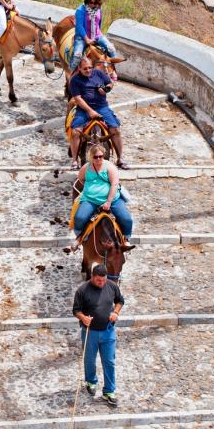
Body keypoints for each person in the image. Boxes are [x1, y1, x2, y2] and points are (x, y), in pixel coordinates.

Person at [72, 264, 124, 405]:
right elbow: (76, 310)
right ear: (93, 277)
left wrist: (115, 312)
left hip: (108, 331)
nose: (101, 283)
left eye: (104, 280)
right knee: (89, 359)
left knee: (109, 361)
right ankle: (90, 381)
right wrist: (83, 318)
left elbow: (120, 301)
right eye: (98, 281)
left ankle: (109, 391)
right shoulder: (82, 290)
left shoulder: (112, 286)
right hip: (90, 333)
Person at [68, 55, 127, 167]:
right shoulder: (75, 80)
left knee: (115, 129)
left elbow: (110, 83)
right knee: (76, 131)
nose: (88, 70)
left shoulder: (99, 73)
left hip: (102, 107)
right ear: (79, 69)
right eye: (85, 68)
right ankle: (74, 160)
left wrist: (106, 89)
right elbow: (78, 99)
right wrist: (90, 111)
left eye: (90, 67)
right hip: (84, 109)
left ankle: (120, 159)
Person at [73, 143, 135, 244]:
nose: (98, 159)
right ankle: (79, 237)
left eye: (100, 156)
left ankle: (126, 238)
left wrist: (108, 202)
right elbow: (81, 179)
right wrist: (90, 189)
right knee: (79, 218)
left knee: (126, 219)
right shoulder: (86, 167)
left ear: (104, 155)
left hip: (112, 200)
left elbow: (114, 184)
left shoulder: (110, 167)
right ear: (91, 157)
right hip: (90, 200)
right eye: (95, 157)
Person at [71, 0, 121, 71]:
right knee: (77, 55)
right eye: (91, 2)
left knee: (111, 49)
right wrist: (87, 39)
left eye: (95, 3)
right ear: (87, 1)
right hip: (83, 37)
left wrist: (98, 36)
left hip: (97, 36)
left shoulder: (99, 10)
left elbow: (99, 24)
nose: (92, 5)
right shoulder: (81, 10)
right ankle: (71, 74)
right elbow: (79, 26)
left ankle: (112, 70)